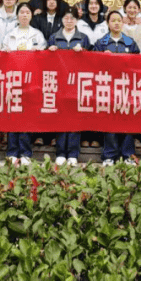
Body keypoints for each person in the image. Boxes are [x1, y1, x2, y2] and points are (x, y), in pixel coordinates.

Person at [94, 10, 140, 166]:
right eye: (113, 20)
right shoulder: (101, 43)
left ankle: (128, 155)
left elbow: (138, 63)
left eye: (119, 20)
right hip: (107, 87)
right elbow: (92, 64)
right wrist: (102, 57)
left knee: (127, 120)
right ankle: (109, 155)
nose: (116, 23)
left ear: (123, 23)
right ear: (108, 23)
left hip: (126, 87)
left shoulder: (130, 42)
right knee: (110, 121)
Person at [3, 3, 46, 164]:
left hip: (30, 79)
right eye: (21, 12)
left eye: (27, 12)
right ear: (17, 15)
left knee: (27, 117)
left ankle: (25, 152)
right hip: (13, 79)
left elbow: (44, 56)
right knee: (13, 116)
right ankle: (12, 151)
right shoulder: (10, 35)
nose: (24, 15)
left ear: (31, 16)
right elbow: (2, 54)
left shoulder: (37, 35)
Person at [47, 9, 91, 165]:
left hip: (77, 84)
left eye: (72, 18)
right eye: (66, 17)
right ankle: (60, 152)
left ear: (77, 20)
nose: (69, 20)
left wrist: (83, 52)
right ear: (62, 20)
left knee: (74, 118)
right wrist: (50, 52)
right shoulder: (54, 37)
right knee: (60, 117)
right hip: (59, 83)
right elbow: (46, 61)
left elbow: (91, 59)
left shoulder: (83, 38)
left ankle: (73, 153)